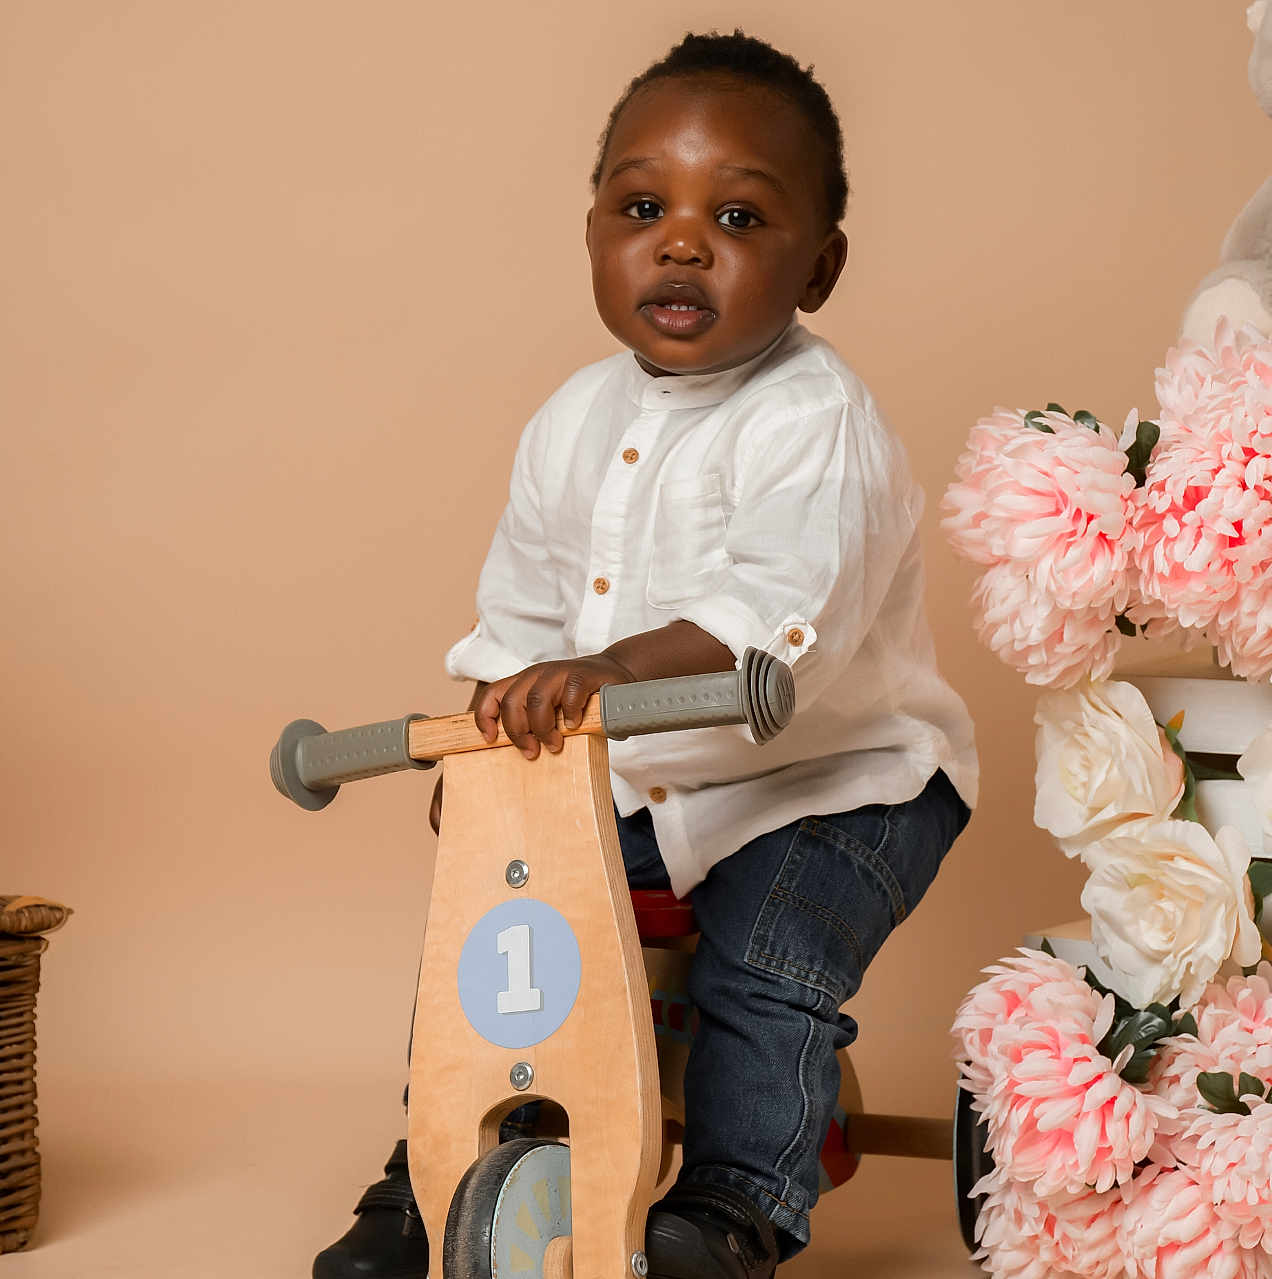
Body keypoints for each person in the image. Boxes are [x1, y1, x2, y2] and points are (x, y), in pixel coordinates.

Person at [314, 27, 978, 1279]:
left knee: (763, 964)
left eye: (736, 214)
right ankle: (424, 1181)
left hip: (835, 785)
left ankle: (731, 1208)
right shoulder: (570, 422)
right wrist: (490, 751)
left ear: (818, 267)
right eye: (641, 206)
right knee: (496, 955)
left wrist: (612, 670)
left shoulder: (812, 422)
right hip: (633, 783)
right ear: (592, 236)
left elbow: (776, 617)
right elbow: (518, 623)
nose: (681, 242)